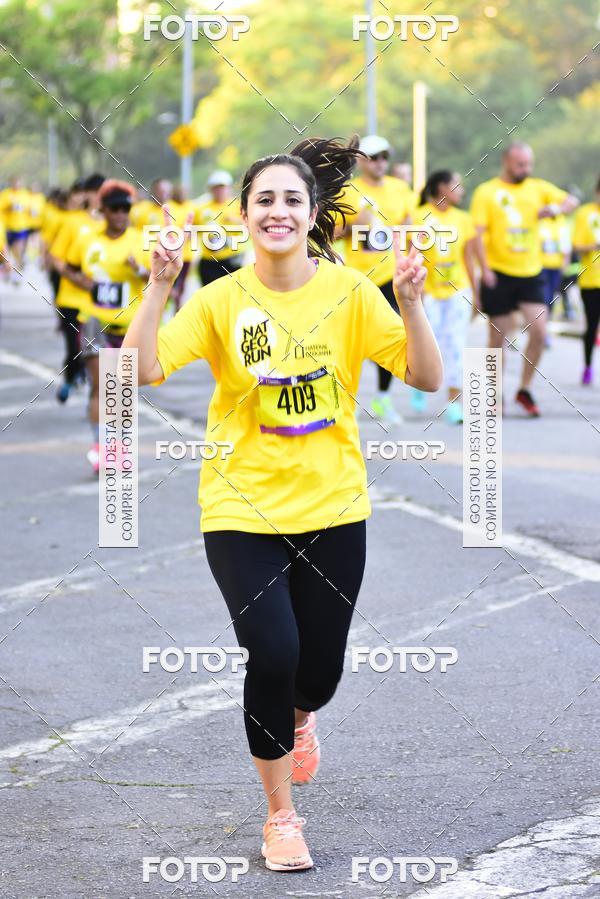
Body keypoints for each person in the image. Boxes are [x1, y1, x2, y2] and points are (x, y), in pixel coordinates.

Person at [123, 137, 442, 873]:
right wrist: (158, 287)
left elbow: (425, 375)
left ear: (311, 213)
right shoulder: (221, 299)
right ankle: (280, 816)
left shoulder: (353, 293)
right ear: (243, 214)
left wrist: (413, 303)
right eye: (263, 199)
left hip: (334, 508)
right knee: (271, 652)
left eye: (291, 199)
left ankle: (301, 717)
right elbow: (140, 370)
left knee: (318, 672)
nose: (277, 210)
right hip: (241, 513)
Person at [471, 142, 579, 416]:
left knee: (540, 332)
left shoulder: (537, 187)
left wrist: (555, 210)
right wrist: (485, 269)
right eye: (520, 165)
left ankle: (525, 389)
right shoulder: (487, 192)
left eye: (529, 164)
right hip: (499, 273)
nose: (526, 169)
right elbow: (478, 235)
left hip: (531, 271)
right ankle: (496, 394)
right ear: (507, 162)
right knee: (498, 338)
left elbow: (571, 200)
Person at [62, 180, 150, 471]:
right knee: (101, 386)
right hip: (95, 322)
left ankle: (120, 447)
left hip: (129, 324)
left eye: (125, 209)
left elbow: (158, 275)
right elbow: (68, 267)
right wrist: (85, 283)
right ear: (104, 211)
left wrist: (138, 269)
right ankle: (100, 448)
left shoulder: (141, 240)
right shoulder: (89, 240)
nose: (120, 214)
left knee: (123, 389)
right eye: (114, 209)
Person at [335, 135, 417, 424]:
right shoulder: (348, 192)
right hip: (357, 278)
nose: (381, 162)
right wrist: (353, 224)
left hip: (390, 277)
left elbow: (409, 229)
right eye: (374, 157)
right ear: (360, 160)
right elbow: (333, 233)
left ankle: (383, 398)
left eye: (384, 156)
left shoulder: (400, 188)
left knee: (392, 336)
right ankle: (348, 397)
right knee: (353, 340)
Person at [411, 171, 478, 423]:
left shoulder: (463, 218)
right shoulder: (419, 216)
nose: (461, 190)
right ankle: (419, 384)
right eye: (456, 185)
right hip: (428, 290)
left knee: (456, 344)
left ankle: (453, 403)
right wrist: (417, 290)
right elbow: (410, 255)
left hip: (458, 289)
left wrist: (476, 293)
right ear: (441, 188)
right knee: (431, 342)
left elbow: (468, 258)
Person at [49, 175, 106, 403]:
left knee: (101, 353)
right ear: (88, 194)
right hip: (72, 298)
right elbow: (56, 258)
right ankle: (72, 377)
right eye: (97, 191)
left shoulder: (112, 225)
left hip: (103, 302)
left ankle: (100, 396)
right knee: (75, 346)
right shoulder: (72, 222)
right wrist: (77, 278)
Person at [195, 170, 246, 285]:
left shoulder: (238, 206)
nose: (219, 191)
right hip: (209, 261)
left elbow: (250, 226)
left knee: (233, 296)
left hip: (232, 259)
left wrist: (236, 221)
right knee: (210, 298)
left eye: (222, 187)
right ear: (210, 189)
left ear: (229, 188)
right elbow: (191, 229)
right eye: (216, 187)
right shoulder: (201, 208)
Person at [572, 176, 600, 384]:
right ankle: (588, 366)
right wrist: (593, 246)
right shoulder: (585, 213)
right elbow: (576, 245)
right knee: (592, 326)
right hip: (591, 280)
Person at [539, 210, 571, 342]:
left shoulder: (561, 222)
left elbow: (566, 248)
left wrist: (564, 265)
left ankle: (544, 331)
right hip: (540, 268)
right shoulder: (541, 220)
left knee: (550, 300)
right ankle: (541, 331)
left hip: (555, 269)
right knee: (543, 299)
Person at [168, 184, 196, 312]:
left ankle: (177, 311)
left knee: (181, 286)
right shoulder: (169, 206)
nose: (182, 195)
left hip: (187, 255)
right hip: (171, 253)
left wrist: (192, 232)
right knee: (170, 284)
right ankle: (166, 308)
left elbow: (197, 226)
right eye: (179, 192)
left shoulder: (192, 206)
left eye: (184, 192)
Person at [0, 176, 32, 276]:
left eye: (19, 182)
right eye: (15, 182)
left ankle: (17, 270)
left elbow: (30, 208)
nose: (17, 185)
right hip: (8, 226)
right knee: (6, 251)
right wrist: (9, 207)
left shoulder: (25, 194)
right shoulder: (6, 194)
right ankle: (8, 268)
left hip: (21, 226)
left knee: (18, 249)